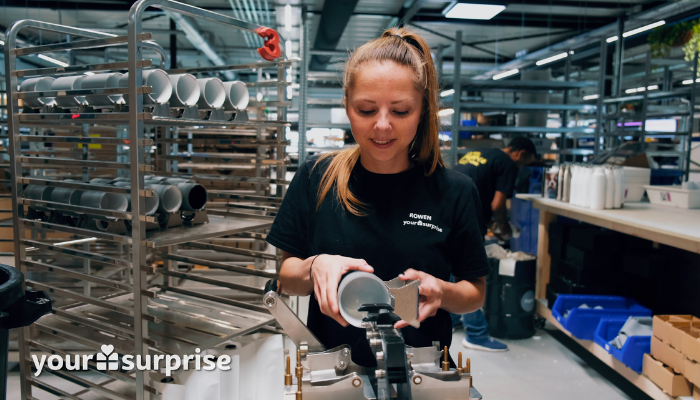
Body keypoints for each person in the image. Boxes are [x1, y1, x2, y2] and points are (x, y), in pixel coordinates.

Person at [266, 27, 490, 367]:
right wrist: (314, 267)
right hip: (335, 375)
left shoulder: (454, 192)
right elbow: (287, 277)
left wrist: (442, 292)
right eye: (366, 110)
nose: (382, 126)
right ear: (346, 105)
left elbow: (475, 291)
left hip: (424, 373)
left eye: (400, 111)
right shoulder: (317, 177)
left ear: (422, 110)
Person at [451, 137, 537, 352]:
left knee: (452, 269)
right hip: (466, 217)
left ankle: (451, 319)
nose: (522, 166)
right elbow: (498, 204)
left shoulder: (480, 153)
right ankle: (476, 333)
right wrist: (503, 225)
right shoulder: (508, 163)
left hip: (446, 212)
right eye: (525, 162)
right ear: (520, 153)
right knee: (469, 275)